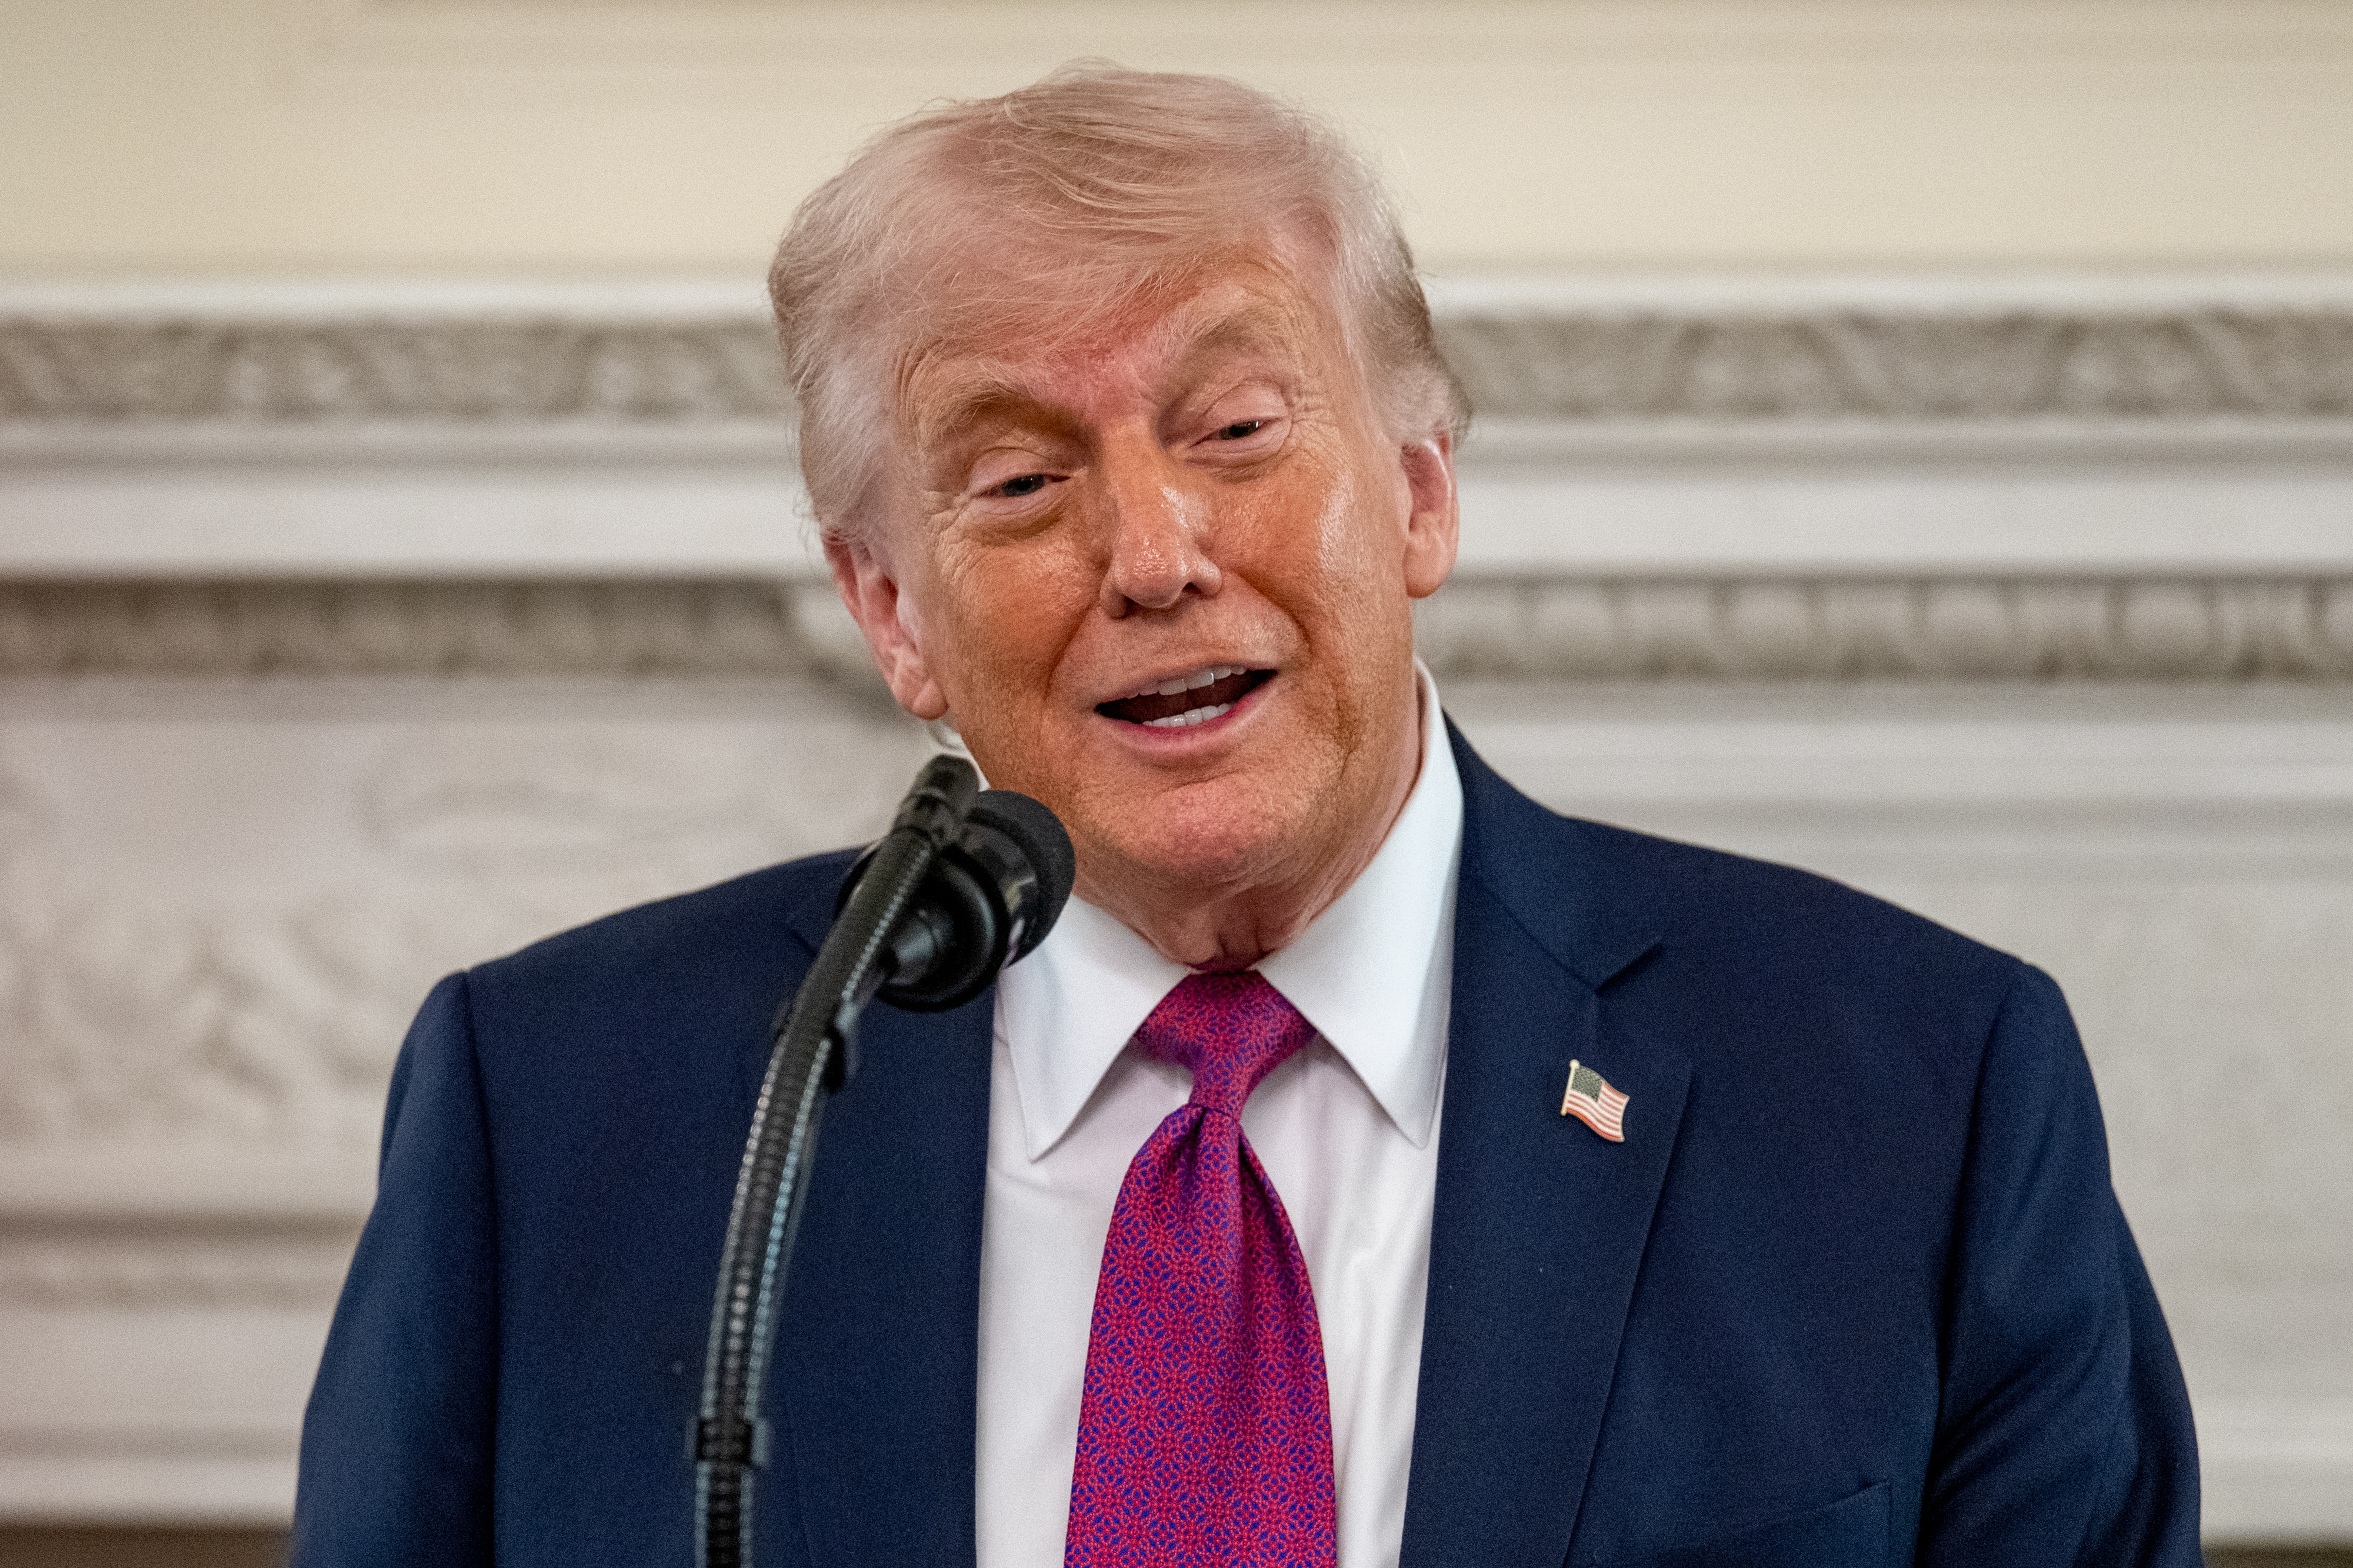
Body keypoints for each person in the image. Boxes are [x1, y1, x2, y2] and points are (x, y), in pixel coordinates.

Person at [292, 65, 2202, 1568]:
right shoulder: (556, 1114)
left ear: (1422, 494)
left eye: (1235, 430)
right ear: (892, 609)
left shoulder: (1917, 1097)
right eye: (1023, 477)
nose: (1153, 554)